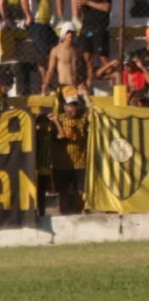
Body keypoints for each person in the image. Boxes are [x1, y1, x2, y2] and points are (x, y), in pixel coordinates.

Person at [50, 85, 91, 214]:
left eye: (75, 105)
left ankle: (79, 215)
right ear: (65, 107)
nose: (73, 108)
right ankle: (64, 216)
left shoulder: (82, 118)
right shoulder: (58, 119)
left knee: (80, 191)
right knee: (64, 193)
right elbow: (58, 136)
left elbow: (94, 112)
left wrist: (85, 95)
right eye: (70, 105)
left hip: (80, 163)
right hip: (61, 164)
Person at [22, 0, 58, 89]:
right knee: (42, 54)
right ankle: (45, 83)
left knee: (54, 49)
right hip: (38, 24)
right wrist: (28, 16)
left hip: (45, 24)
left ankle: (47, 81)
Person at [77, 0, 112, 90]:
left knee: (102, 56)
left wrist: (88, 2)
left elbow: (106, 7)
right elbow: (82, 8)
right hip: (87, 27)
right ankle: (89, 79)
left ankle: (113, 75)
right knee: (87, 55)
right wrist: (79, 5)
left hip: (99, 27)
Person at [42, 21, 79, 96]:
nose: (70, 34)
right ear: (64, 34)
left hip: (75, 86)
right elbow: (50, 70)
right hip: (64, 85)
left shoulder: (75, 50)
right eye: (68, 32)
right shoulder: (56, 50)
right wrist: (45, 86)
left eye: (72, 32)